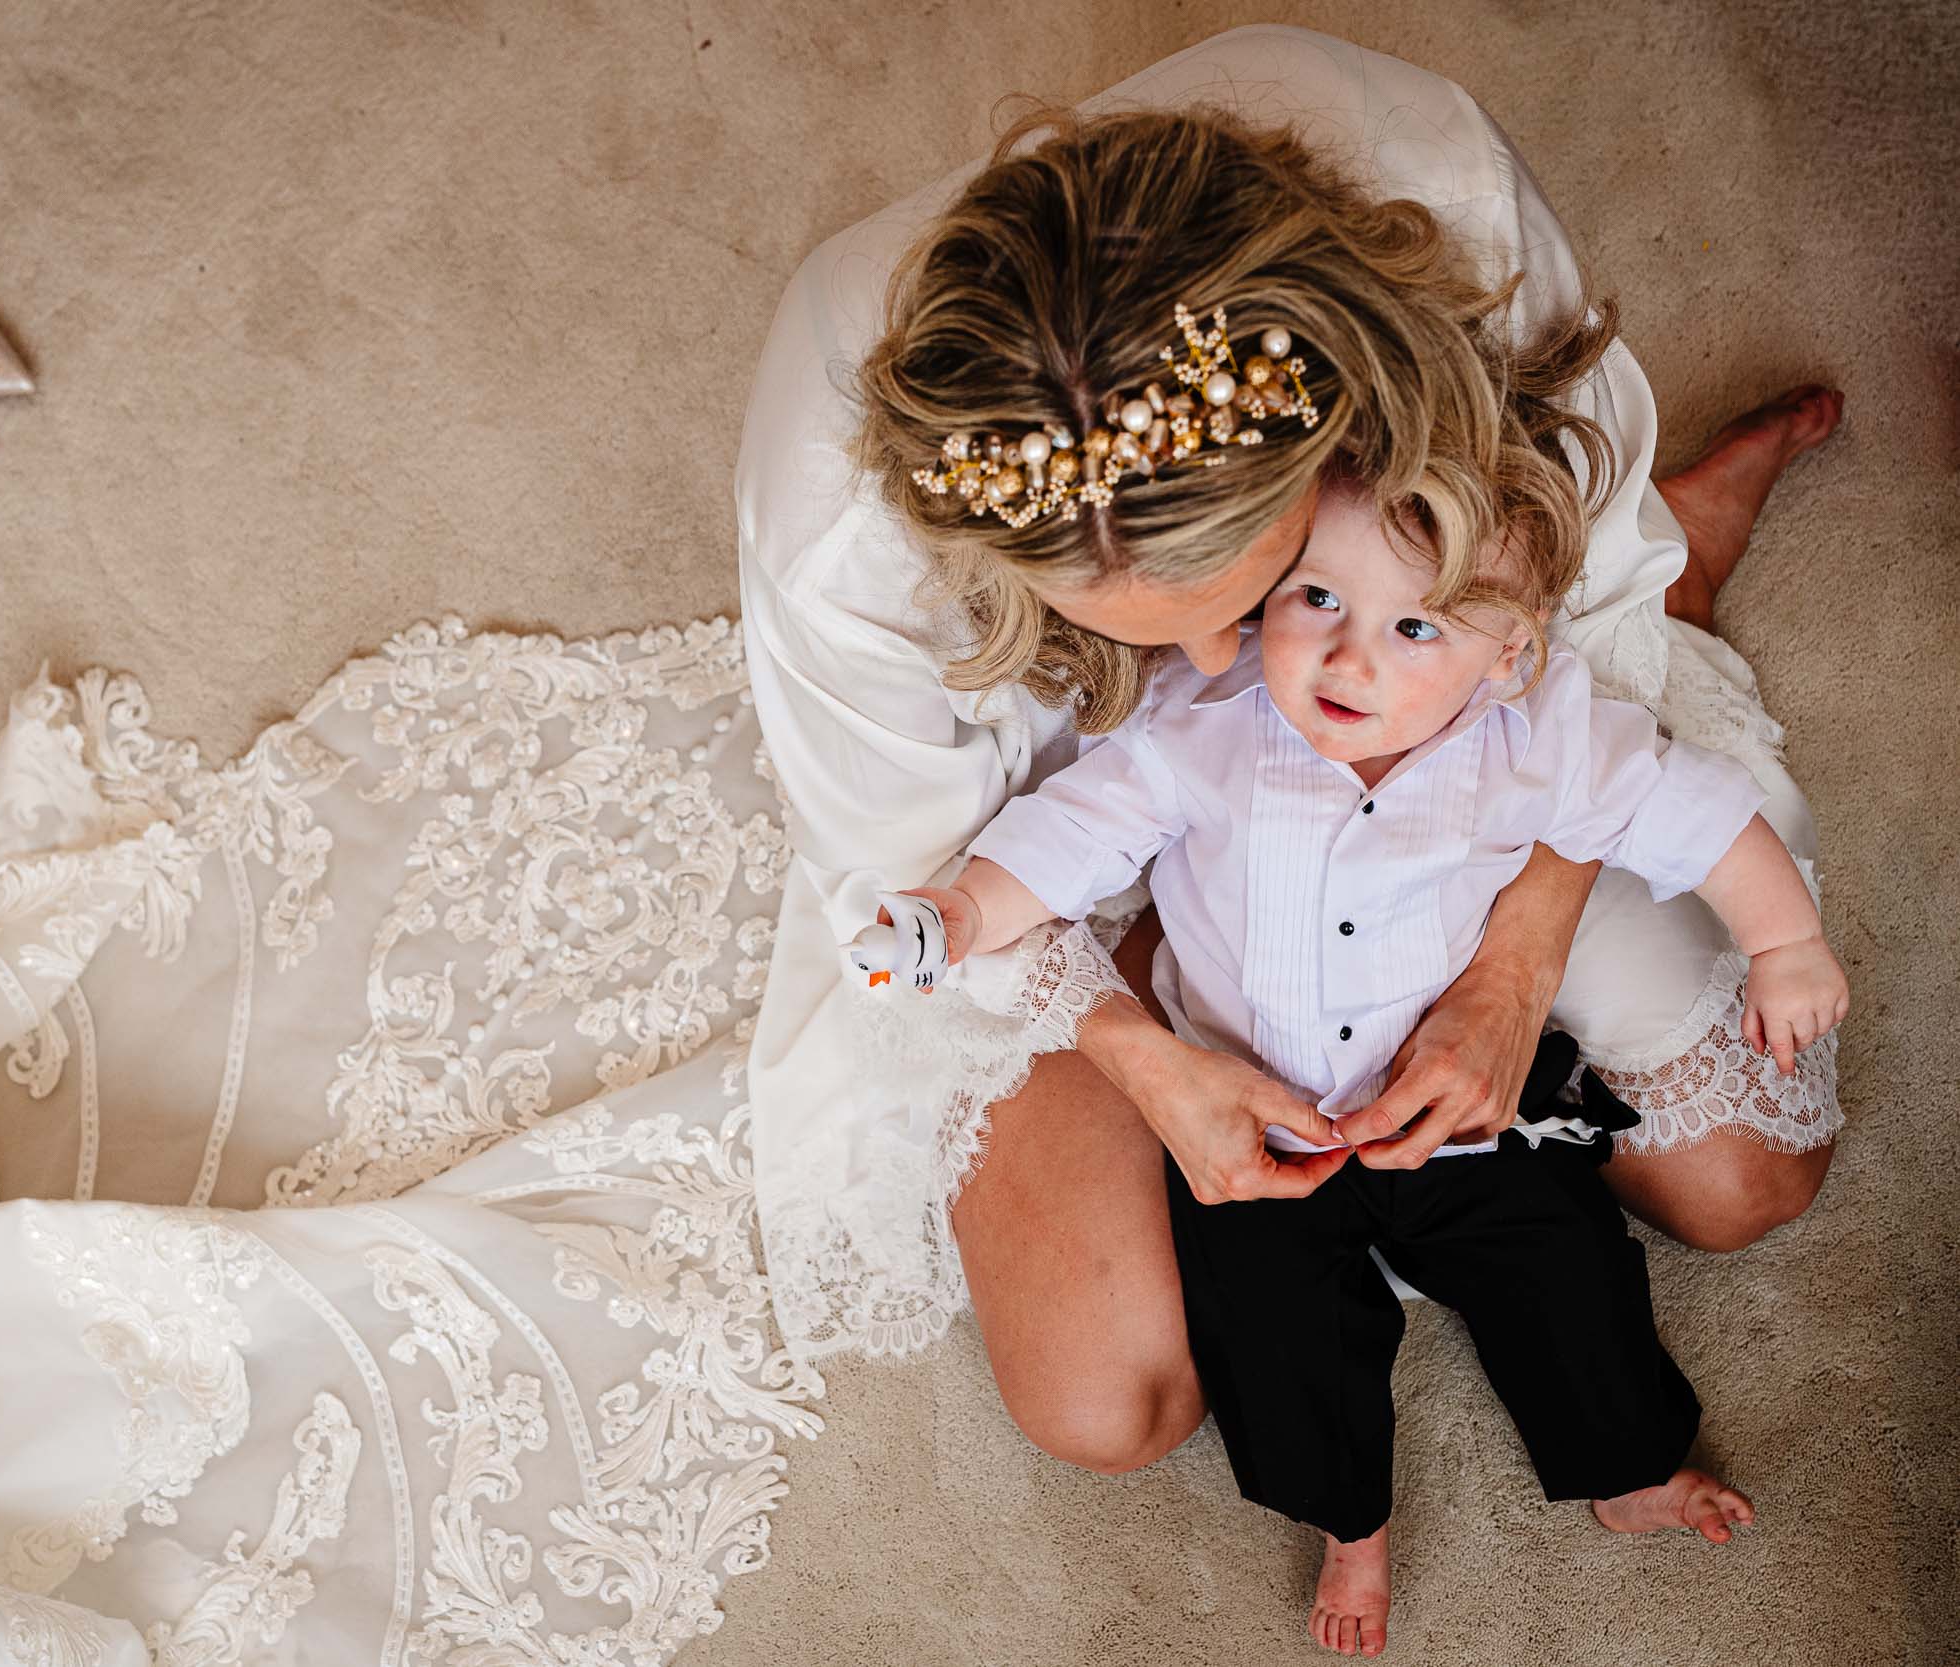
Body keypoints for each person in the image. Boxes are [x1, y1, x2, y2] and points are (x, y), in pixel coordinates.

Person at [737, 24, 1845, 1653]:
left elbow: (1577, 655)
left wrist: (1511, 972)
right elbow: (934, 874)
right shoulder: (849, 539)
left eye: (1248, 599)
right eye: (1136, 628)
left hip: (1443, 735)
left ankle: (1682, 555)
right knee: (1110, 1403)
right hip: (1063, 846)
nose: (1204, 680)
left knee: (1752, 1179)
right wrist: (1146, 1056)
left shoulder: (1444, 216)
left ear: (1353, 456)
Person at [851, 466, 1846, 1653]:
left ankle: (1625, 1460)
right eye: (1316, 598)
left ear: (1506, 656)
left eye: (1413, 627)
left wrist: (1784, 942)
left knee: (1567, 1265)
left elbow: (1698, 816)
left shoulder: (1540, 733)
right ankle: (1350, 1524)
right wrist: (962, 914)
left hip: (1451, 1095)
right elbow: (1067, 838)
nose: (1347, 659)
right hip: (1256, 1113)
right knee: (1274, 1337)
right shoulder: (1200, 720)